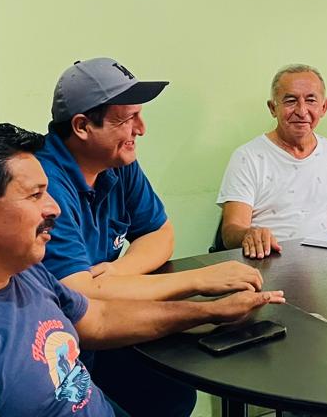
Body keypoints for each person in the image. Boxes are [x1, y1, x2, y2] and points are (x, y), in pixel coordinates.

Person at [0, 123, 284, 417]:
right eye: (35, 195)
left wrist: (208, 311)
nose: (54, 207)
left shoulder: (20, 271)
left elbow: (99, 319)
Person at [35, 57, 259, 417]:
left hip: (103, 327)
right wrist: (199, 280)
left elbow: (160, 233)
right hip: (57, 351)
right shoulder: (43, 185)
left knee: (172, 393)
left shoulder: (115, 162)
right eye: (127, 119)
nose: (141, 129)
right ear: (82, 126)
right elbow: (81, 294)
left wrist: (117, 272)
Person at [216, 64, 327, 258]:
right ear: (273, 108)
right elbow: (231, 231)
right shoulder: (248, 157)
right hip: (271, 264)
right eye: (290, 101)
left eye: (311, 100)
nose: (302, 110)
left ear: (324, 107)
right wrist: (249, 235)